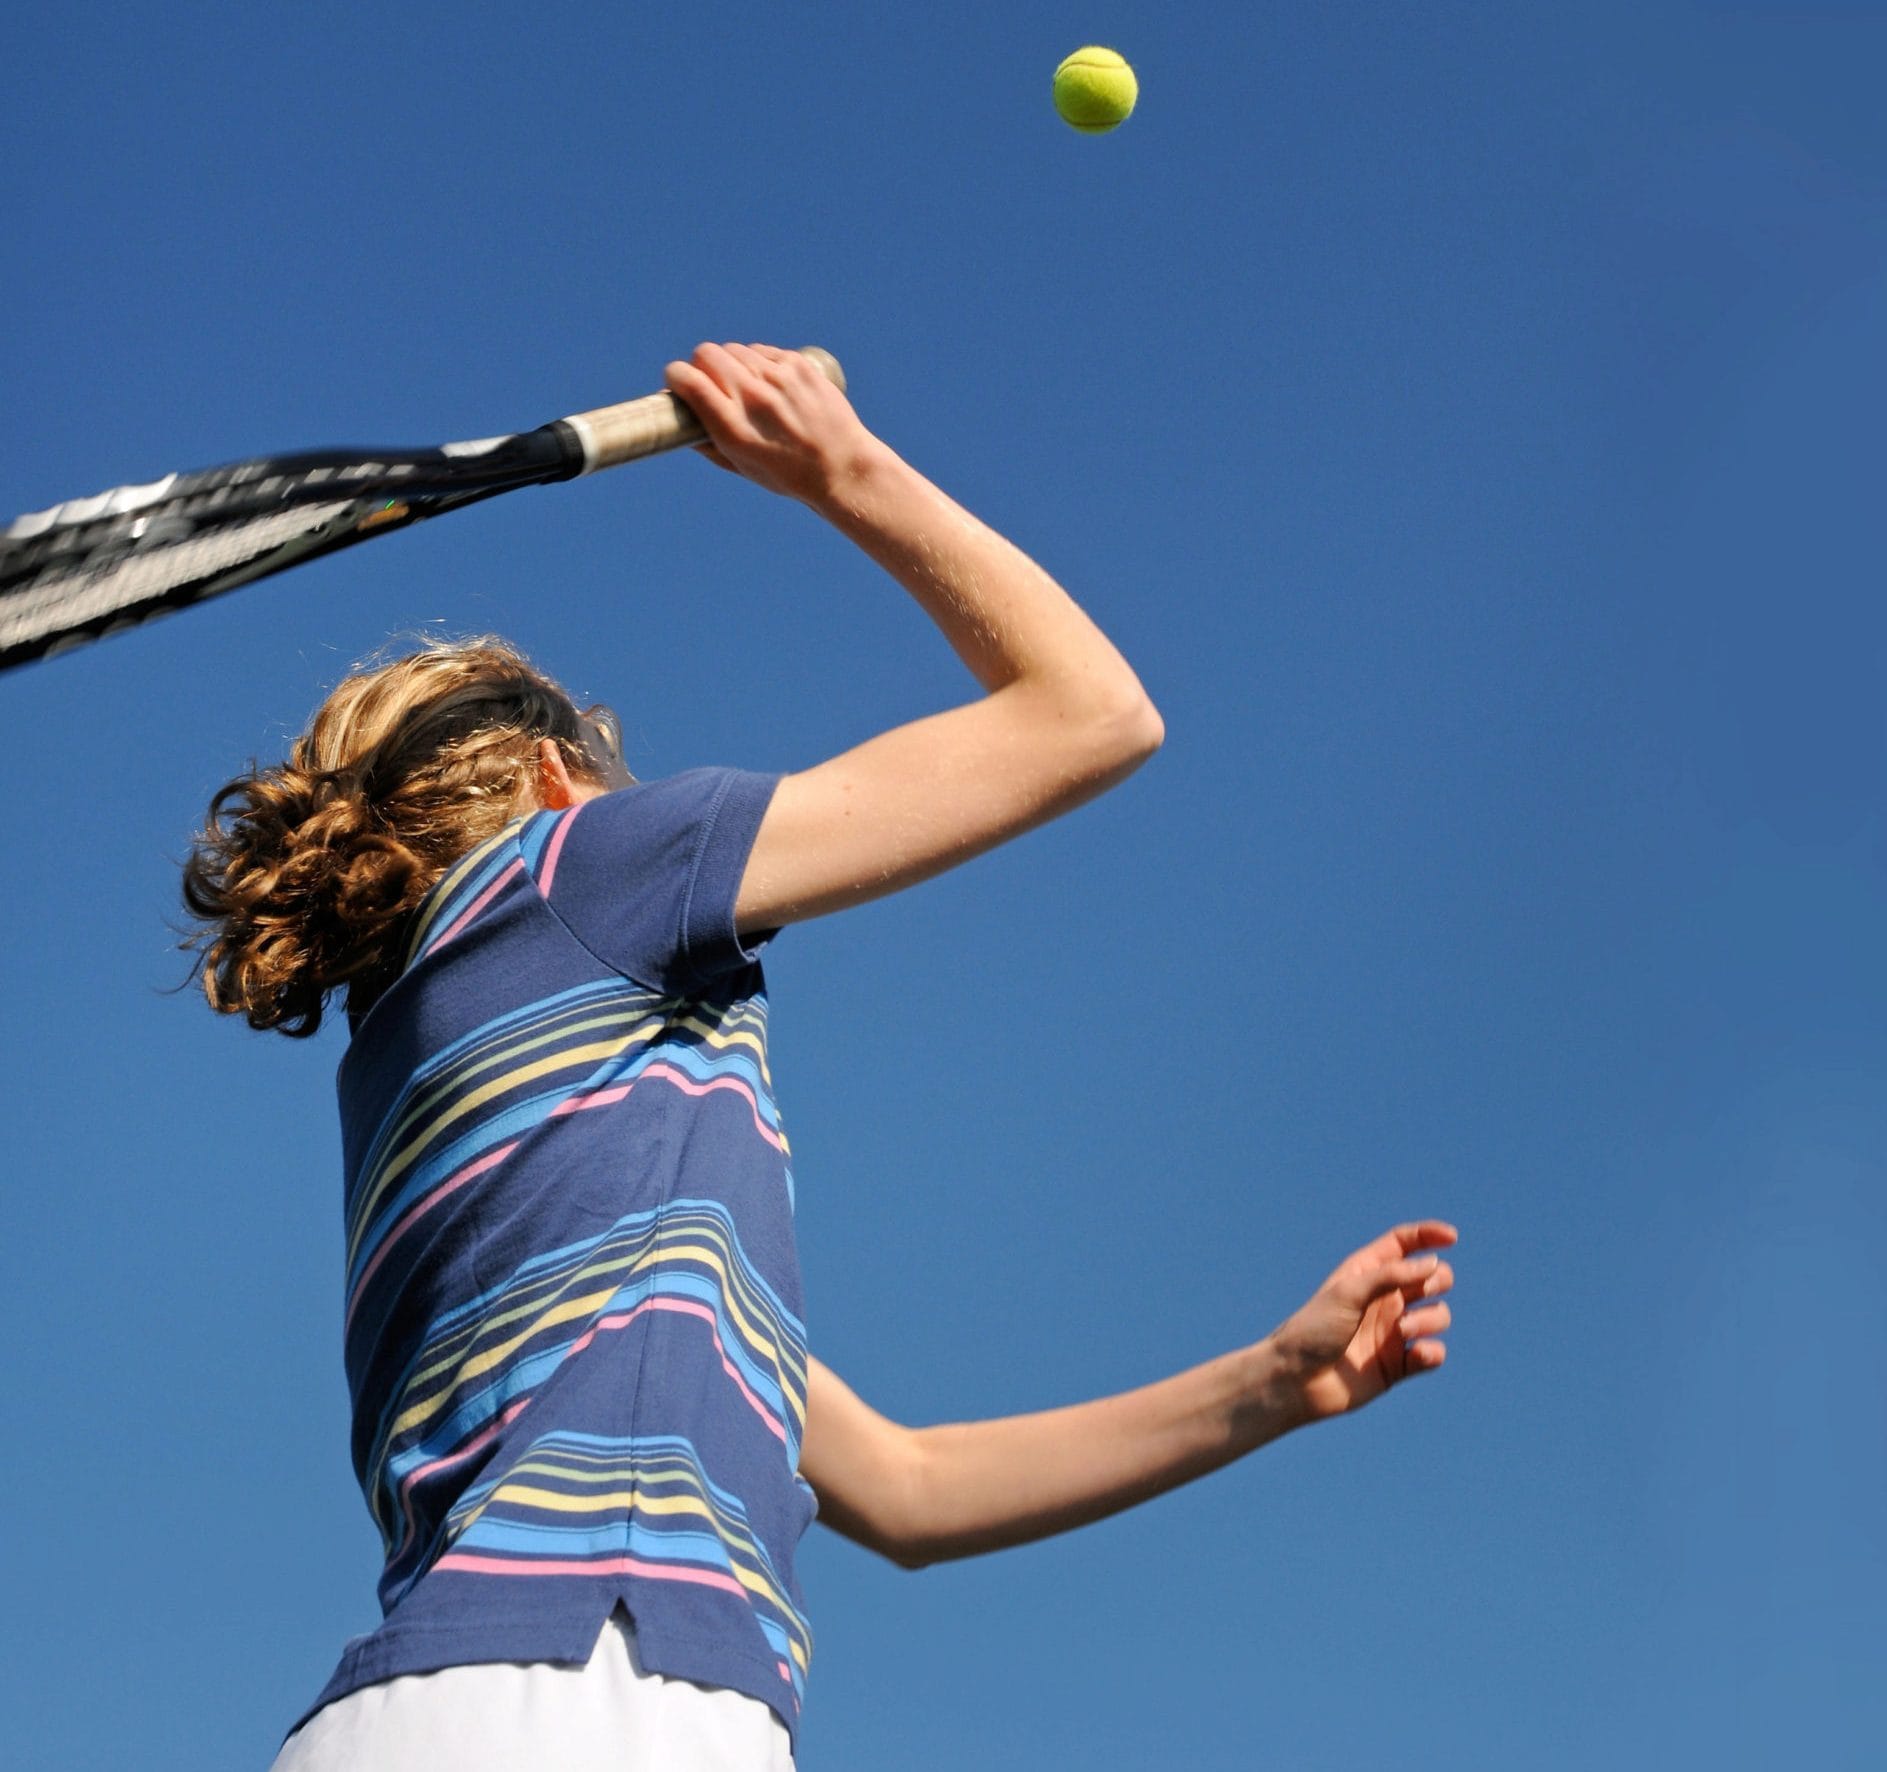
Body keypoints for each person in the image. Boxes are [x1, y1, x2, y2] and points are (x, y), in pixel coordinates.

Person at [183, 342, 1458, 1772]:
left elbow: (909, 1490)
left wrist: (1274, 1383)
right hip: (598, 1697)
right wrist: (838, 463)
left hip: (422, 1714)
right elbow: (1092, 712)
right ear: (555, 785)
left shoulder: (449, 1101)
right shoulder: (574, 872)